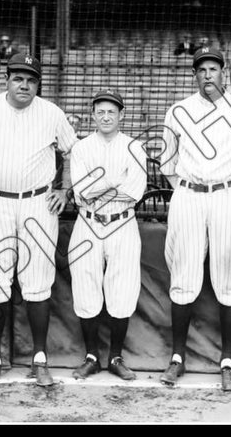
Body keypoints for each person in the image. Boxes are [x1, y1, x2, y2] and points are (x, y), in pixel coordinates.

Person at [0, 53, 78, 388]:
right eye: (18, 78)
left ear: (38, 83)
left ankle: (39, 358)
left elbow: (72, 151)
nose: (25, 85)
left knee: (38, 280)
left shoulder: (51, 112)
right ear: (7, 79)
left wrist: (65, 190)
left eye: (31, 79)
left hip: (39, 204)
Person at [158, 47, 231, 389]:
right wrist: (188, 188)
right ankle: (177, 358)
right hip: (188, 194)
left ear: (224, 72)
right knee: (183, 274)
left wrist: (227, 188)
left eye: (213, 68)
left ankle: (227, 360)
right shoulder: (178, 111)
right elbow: (168, 163)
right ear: (194, 75)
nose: (207, 75)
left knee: (230, 277)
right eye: (201, 69)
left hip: (229, 195)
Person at [68, 90, 147, 381]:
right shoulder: (81, 148)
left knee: (122, 289)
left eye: (111, 112)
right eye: (100, 111)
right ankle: (91, 357)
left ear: (121, 115)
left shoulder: (134, 148)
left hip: (123, 223)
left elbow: (134, 192)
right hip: (87, 222)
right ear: (92, 115)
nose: (105, 116)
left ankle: (115, 357)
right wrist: (114, 182)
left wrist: (99, 184)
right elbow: (81, 193)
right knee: (85, 286)